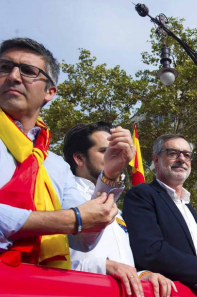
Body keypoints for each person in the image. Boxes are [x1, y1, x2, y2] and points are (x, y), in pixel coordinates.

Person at [0, 38, 128, 269]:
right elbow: (77, 220)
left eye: (28, 71)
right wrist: (70, 219)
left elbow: (83, 237)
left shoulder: (55, 165)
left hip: (36, 292)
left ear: (50, 92)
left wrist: (111, 171)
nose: (13, 77)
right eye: (4, 67)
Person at [64, 122, 176, 297]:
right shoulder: (59, 196)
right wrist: (105, 266)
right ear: (79, 158)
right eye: (103, 151)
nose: (111, 155)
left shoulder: (117, 209)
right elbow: (52, 260)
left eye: (113, 150)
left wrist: (142, 275)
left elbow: (123, 263)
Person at [123, 134, 197, 296]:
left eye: (187, 155)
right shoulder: (141, 195)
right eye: (173, 153)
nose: (181, 159)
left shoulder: (188, 207)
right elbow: (150, 250)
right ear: (156, 160)